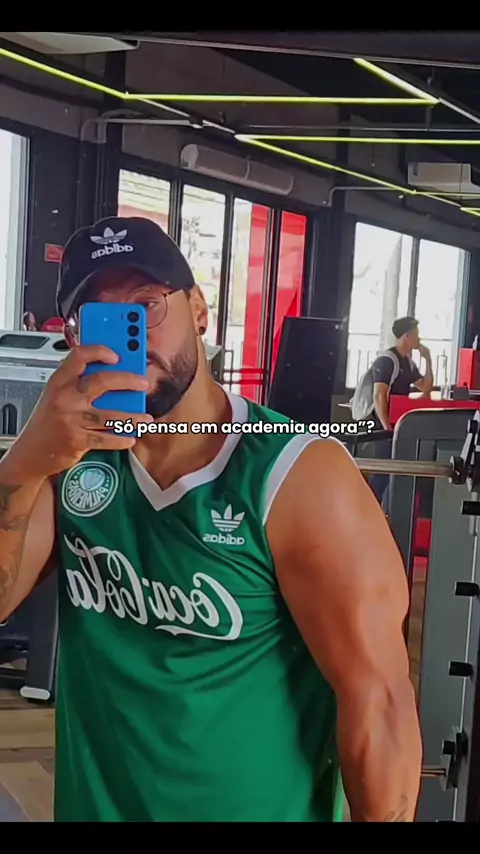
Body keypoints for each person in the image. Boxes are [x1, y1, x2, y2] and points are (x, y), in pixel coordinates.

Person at [0, 217, 422, 823]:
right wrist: (23, 462)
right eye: (98, 317)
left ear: (199, 310)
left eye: (147, 305)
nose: (128, 333)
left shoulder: (296, 474)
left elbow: (378, 703)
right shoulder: (67, 460)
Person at [369, 317, 434, 505]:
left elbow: (426, 387)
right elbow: (379, 395)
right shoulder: (387, 360)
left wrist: (428, 359)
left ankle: (385, 510)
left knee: (395, 472)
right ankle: (370, 508)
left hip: (398, 424)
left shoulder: (407, 362)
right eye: (416, 334)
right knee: (383, 472)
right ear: (406, 336)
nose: (419, 339)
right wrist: (387, 428)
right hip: (383, 424)